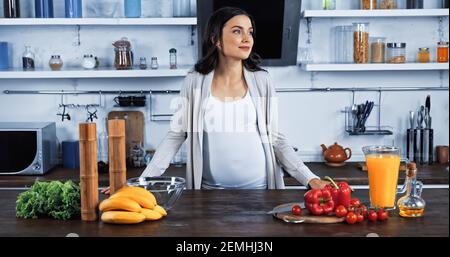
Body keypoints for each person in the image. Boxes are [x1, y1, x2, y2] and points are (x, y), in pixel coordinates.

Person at [102, 7, 328, 194]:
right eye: (237, 31)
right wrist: (142, 182)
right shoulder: (194, 81)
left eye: (249, 32)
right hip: (209, 194)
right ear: (216, 39)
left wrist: (310, 179)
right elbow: (175, 136)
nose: (247, 38)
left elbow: (277, 139)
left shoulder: (262, 80)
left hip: (262, 192)